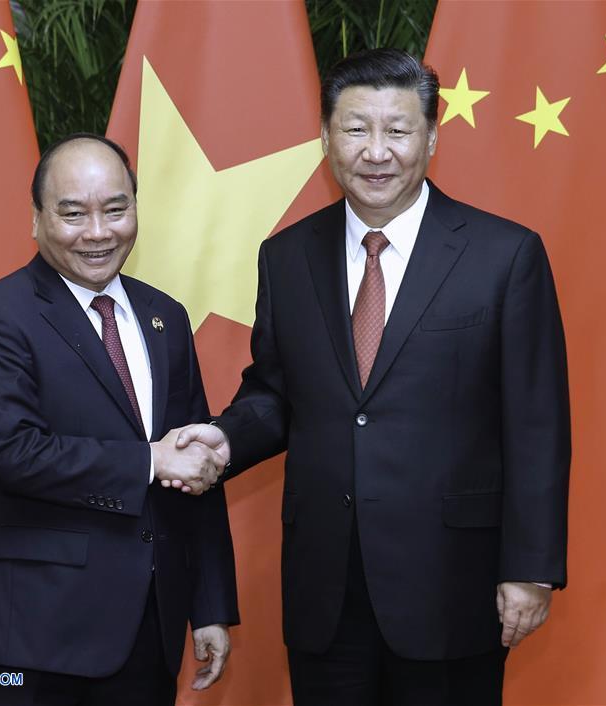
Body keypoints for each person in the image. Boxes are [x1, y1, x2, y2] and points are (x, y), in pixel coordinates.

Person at [173, 49, 570, 706]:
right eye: (356, 130)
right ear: (327, 138)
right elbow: (275, 392)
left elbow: (538, 423)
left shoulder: (505, 255)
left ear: (433, 137)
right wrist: (222, 441)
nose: (375, 152)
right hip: (326, 588)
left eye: (398, 130)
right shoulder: (287, 255)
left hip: (452, 583)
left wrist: (530, 569)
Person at [0, 133, 238, 706]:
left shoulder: (165, 317)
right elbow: (17, 454)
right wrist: (149, 459)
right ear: (36, 219)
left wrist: (209, 605)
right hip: (28, 637)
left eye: (116, 209)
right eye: (73, 213)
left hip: (147, 631)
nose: (98, 232)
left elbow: (192, 457)